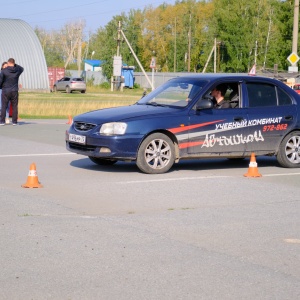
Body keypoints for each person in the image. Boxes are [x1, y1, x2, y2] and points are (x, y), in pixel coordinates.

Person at [0, 58, 24, 125]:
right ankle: (14, 122)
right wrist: (15, 64)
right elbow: (22, 68)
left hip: (6, 90)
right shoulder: (17, 70)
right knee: (14, 106)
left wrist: (1, 86)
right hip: (14, 90)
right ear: (13, 63)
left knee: (4, 106)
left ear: (8, 63)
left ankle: (2, 121)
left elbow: (0, 80)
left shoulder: (4, 71)